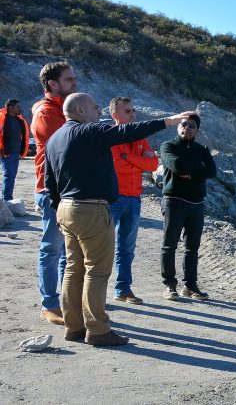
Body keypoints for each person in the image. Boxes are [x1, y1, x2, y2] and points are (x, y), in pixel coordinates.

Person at [44, 92, 192, 346]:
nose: (98, 110)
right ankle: (98, 330)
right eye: (94, 107)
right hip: (90, 209)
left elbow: (50, 182)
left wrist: (60, 209)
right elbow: (128, 131)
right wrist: (169, 121)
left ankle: (74, 327)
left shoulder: (54, 138)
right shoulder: (88, 132)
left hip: (67, 209)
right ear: (80, 111)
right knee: (97, 271)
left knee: (73, 269)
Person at [31, 62, 77, 325]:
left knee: (66, 250)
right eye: (69, 79)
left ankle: (66, 301)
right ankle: (49, 305)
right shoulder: (46, 112)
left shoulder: (61, 110)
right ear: (53, 84)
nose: (74, 82)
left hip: (68, 189)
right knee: (51, 249)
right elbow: (67, 146)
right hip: (51, 190)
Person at [160, 114, 216, 300]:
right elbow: (176, 165)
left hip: (196, 204)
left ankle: (190, 286)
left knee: (192, 248)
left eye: (192, 126)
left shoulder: (202, 150)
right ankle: (169, 285)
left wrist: (190, 173)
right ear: (178, 127)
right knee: (170, 245)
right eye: (184, 124)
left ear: (197, 131)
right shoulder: (168, 146)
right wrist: (198, 168)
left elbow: (212, 171)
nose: (187, 128)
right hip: (174, 201)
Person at [109, 97, 158, 305]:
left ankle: (123, 289)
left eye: (133, 111)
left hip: (134, 198)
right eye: (127, 111)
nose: (132, 114)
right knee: (101, 246)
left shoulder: (140, 138)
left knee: (127, 248)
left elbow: (153, 164)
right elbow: (116, 165)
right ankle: (93, 291)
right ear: (115, 115)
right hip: (113, 198)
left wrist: (129, 159)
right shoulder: (109, 137)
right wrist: (138, 162)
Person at [0, 99, 31, 201]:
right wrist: (1, 150)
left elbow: (24, 137)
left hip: (16, 153)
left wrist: (22, 152)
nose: (20, 108)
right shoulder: (3, 118)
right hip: (5, 153)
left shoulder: (18, 120)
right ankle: (6, 200)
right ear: (10, 107)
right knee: (8, 175)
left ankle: (8, 198)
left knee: (12, 176)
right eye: (17, 106)